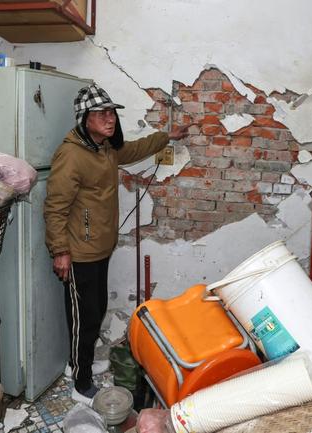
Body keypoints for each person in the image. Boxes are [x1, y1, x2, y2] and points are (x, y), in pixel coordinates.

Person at [44, 84, 189, 404]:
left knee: (96, 311)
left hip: (100, 246)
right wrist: (60, 251)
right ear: (85, 119)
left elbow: (134, 150)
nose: (109, 119)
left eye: (111, 113)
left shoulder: (104, 148)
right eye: (101, 114)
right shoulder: (71, 155)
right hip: (78, 252)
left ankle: (78, 364)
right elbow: (55, 207)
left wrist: (168, 137)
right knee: (84, 316)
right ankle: (81, 383)